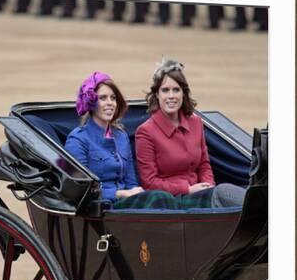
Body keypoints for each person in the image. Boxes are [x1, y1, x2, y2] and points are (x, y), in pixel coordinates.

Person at [135, 59, 246, 208]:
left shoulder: (196, 123)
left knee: (228, 193)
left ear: (183, 93)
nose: (171, 96)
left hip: (200, 192)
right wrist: (187, 189)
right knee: (224, 192)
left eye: (176, 90)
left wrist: (208, 185)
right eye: (165, 90)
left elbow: (204, 164)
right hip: (172, 200)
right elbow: (149, 182)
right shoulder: (146, 131)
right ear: (157, 94)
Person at [65, 72, 181, 210]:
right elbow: (79, 189)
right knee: (160, 198)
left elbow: (131, 182)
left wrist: (135, 193)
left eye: (113, 98)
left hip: (125, 205)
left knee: (165, 197)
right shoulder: (78, 139)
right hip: (99, 208)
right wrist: (120, 193)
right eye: (103, 98)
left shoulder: (121, 136)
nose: (110, 103)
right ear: (91, 103)